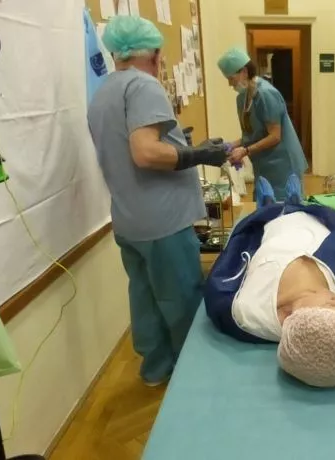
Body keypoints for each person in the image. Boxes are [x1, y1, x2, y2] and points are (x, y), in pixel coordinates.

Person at [88, 16, 229, 386]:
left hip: (128, 220)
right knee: (181, 299)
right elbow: (145, 153)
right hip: (163, 222)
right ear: (153, 54)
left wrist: (182, 144)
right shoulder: (143, 85)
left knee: (145, 298)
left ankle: (155, 369)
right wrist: (199, 154)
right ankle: (192, 376)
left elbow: (125, 148)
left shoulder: (102, 92)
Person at [204, 175, 335, 388]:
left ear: (289, 318)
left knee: (270, 213)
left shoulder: (247, 310)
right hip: (315, 220)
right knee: (302, 209)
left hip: (273, 225)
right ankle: (295, 202)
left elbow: (224, 273)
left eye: (333, 305)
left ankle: (269, 204)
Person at [217, 48, 308, 201]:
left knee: (284, 206)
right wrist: (232, 145)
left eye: (231, 78)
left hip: (283, 164)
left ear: (244, 72)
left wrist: (245, 151)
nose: (229, 84)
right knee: (264, 204)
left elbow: (275, 136)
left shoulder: (266, 94)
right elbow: (254, 134)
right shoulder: (243, 98)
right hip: (264, 163)